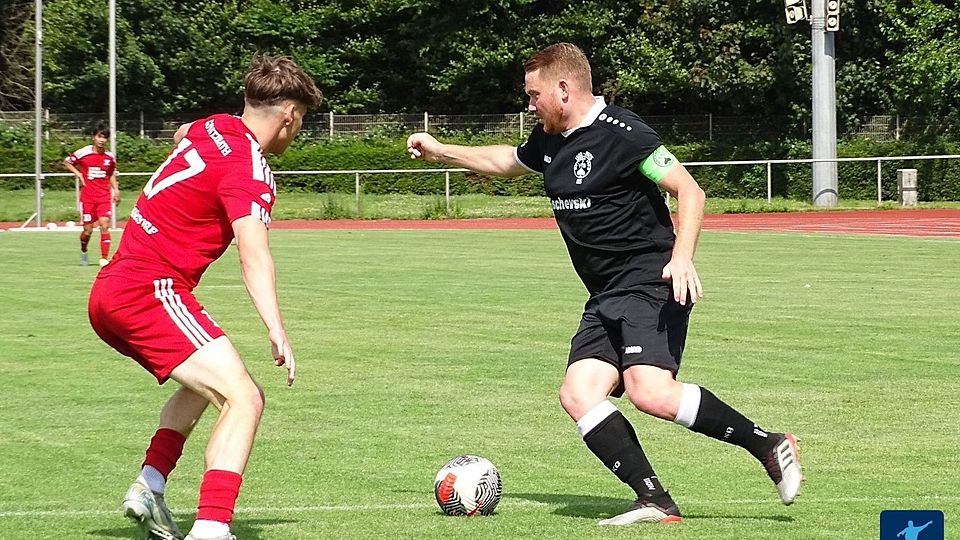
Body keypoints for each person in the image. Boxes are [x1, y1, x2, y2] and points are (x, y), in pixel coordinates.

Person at [406, 43, 802, 525]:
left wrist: (682, 257)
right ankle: (655, 500)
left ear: (563, 88)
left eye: (534, 95)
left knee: (650, 392)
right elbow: (507, 161)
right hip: (605, 293)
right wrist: (440, 149)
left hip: (649, 280)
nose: (530, 105)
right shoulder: (550, 138)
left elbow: (689, 190)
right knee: (578, 393)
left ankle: (767, 443)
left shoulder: (626, 134)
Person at [88, 54, 322, 540]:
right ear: (287, 116)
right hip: (148, 289)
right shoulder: (249, 167)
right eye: (299, 122)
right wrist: (276, 328)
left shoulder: (213, 126)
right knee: (246, 398)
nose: (296, 133)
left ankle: (149, 484)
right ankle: (213, 528)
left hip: (115, 286)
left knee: (204, 386)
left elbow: (182, 133)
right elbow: (253, 252)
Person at [64, 121, 120, 267]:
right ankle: (84, 250)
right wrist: (79, 174)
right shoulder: (84, 152)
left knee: (104, 224)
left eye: (105, 137)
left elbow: (111, 174)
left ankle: (104, 258)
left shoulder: (109, 157)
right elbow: (67, 162)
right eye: (99, 136)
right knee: (87, 231)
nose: (102, 140)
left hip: (103, 197)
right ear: (93, 137)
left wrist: (116, 190)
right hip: (88, 198)